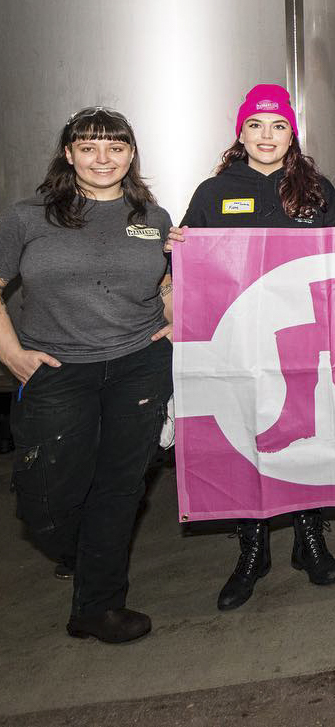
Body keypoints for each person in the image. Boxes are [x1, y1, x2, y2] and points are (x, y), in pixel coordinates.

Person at [0, 107, 174, 644]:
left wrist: (177, 316)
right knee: (46, 497)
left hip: (138, 367)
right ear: (69, 153)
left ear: (130, 155)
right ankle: (80, 551)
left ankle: (98, 606)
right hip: (55, 369)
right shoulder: (27, 217)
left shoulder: (153, 216)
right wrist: (11, 355)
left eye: (116, 147)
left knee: (120, 488)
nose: (104, 158)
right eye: (90, 147)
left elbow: (165, 285)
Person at [177, 84, 335, 611]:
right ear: (240, 131)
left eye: (278, 126)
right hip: (239, 345)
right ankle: (253, 548)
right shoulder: (212, 192)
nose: (267, 136)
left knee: (305, 432)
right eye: (256, 125)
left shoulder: (316, 189)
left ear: (292, 133)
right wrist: (177, 251)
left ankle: (308, 537)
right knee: (245, 438)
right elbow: (189, 267)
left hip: (301, 340)